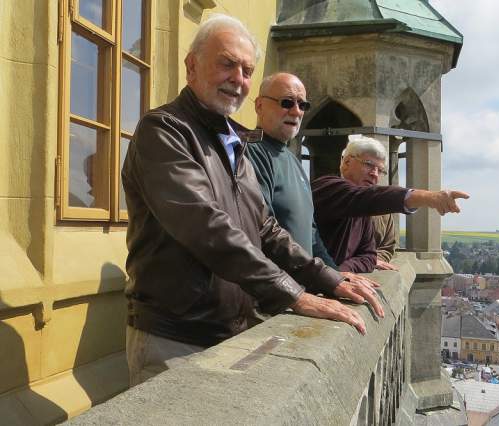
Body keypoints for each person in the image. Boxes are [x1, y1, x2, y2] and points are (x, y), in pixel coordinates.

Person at [121, 15, 383, 386]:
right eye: (227, 64)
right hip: (176, 336)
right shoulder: (164, 130)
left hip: (231, 332)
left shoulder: (232, 142)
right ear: (191, 66)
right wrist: (295, 295)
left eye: (247, 71)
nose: (238, 79)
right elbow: (206, 228)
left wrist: (329, 278)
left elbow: (266, 228)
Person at [246, 73, 377, 288]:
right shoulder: (252, 153)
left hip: (300, 287)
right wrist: (324, 278)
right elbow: (264, 231)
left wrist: (334, 274)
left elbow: (312, 234)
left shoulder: (293, 161)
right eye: (286, 102)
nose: (296, 111)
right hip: (274, 294)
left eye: (303, 105)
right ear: (259, 105)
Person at [312, 136, 469, 273]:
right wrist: (430, 197)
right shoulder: (328, 187)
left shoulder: (363, 210)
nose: (374, 174)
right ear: (346, 162)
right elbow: (370, 197)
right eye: (368, 164)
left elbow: (369, 256)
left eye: (380, 170)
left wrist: (341, 272)